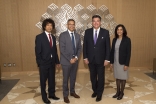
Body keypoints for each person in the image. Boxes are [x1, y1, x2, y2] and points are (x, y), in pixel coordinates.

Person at [83, 15, 110, 102]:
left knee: (101, 77)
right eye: (94, 21)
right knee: (92, 77)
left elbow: (107, 47)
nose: (96, 22)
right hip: (90, 59)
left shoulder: (105, 32)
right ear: (92, 22)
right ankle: (95, 90)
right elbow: (85, 46)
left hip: (101, 60)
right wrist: (85, 57)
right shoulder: (87, 32)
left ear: (100, 22)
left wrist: (107, 59)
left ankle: (99, 93)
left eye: (97, 21)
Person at [35, 18, 60, 104]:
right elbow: (37, 51)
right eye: (48, 25)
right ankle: (44, 97)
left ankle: (52, 94)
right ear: (44, 26)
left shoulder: (53, 37)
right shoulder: (39, 37)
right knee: (43, 81)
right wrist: (39, 62)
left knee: (52, 80)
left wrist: (57, 61)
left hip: (52, 62)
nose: (49, 27)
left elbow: (54, 50)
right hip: (43, 63)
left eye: (51, 25)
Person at [59, 19, 82, 103]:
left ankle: (72, 92)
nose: (72, 26)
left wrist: (76, 58)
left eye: (73, 24)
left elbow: (79, 48)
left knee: (73, 77)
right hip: (66, 61)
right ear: (67, 25)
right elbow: (62, 49)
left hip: (75, 61)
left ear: (74, 25)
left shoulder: (77, 36)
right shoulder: (63, 35)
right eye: (70, 24)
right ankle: (65, 95)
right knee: (66, 79)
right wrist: (70, 59)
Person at [110, 24, 131, 100]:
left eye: (121, 29)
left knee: (123, 78)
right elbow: (112, 51)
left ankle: (122, 92)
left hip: (123, 62)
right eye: (118, 29)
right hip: (115, 62)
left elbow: (128, 53)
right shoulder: (114, 40)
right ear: (116, 31)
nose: (119, 31)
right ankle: (118, 92)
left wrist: (126, 64)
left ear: (123, 31)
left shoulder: (127, 40)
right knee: (117, 78)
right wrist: (111, 62)